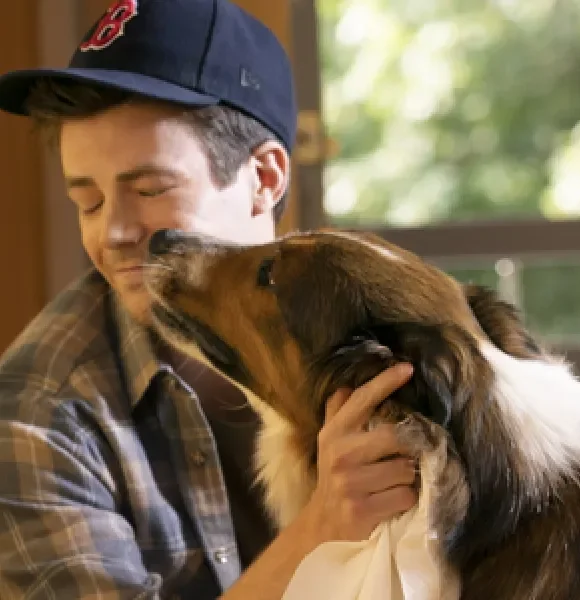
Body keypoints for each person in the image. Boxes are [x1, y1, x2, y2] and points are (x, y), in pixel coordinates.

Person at [0, 0, 419, 597]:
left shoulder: (382, 330)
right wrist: (323, 525)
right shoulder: (38, 414)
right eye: (87, 201)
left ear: (266, 179)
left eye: (148, 189)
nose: (111, 233)